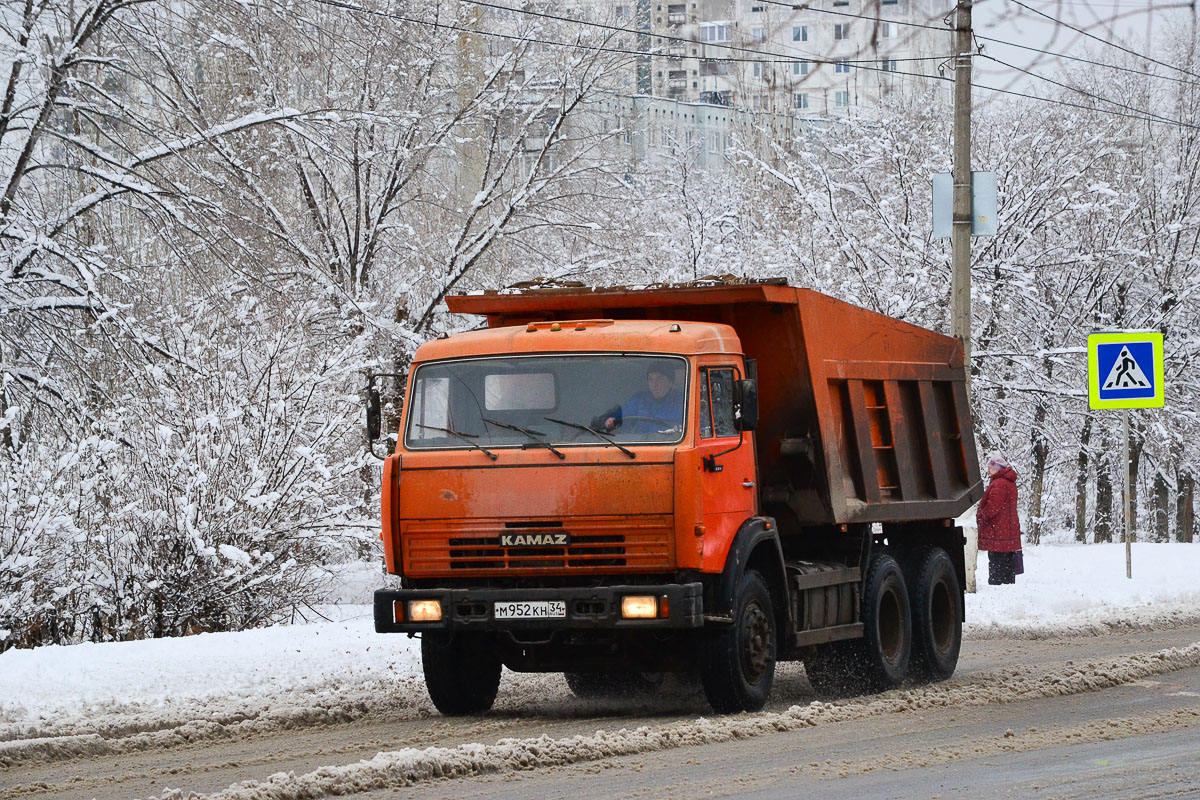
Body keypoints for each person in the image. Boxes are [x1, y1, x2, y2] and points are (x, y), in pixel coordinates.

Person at [977, 454, 1022, 585]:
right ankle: (1007, 583)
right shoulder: (1009, 482)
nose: (988, 470)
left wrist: (981, 516)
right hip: (1008, 528)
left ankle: (997, 584)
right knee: (1007, 558)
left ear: (997, 468)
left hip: (998, 529)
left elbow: (993, 507)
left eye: (991, 467)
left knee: (997, 558)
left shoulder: (999, 484)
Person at [603, 365, 684, 434]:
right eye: (650, 379)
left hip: (671, 446)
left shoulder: (683, 402)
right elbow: (624, 416)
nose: (654, 384)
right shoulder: (640, 400)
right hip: (641, 446)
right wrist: (613, 421)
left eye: (660, 379)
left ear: (670, 382)